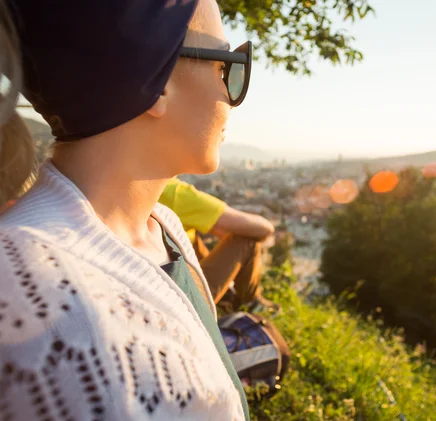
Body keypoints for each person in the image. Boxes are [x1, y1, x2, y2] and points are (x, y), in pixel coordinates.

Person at [0, 0, 254, 419]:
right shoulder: (32, 300)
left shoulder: (161, 228)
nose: (231, 97)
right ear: (157, 85)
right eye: (228, 66)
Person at [159, 178, 280, 312]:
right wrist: (219, 226)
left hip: (159, 290)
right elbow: (265, 228)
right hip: (185, 301)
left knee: (190, 239)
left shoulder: (139, 191)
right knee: (245, 241)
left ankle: (229, 298)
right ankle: (251, 303)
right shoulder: (173, 192)